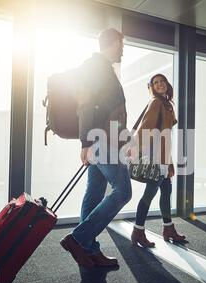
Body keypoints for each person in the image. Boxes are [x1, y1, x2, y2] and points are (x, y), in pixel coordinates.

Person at [60, 28, 132, 268]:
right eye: (121, 44)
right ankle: (79, 239)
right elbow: (86, 105)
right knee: (123, 192)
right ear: (113, 43)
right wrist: (86, 142)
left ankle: (88, 249)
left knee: (93, 195)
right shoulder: (95, 67)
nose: (123, 49)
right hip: (101, 140)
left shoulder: (104, 69)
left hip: (106, 139)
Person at [130, 74, 186, 248]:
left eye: (162, 81)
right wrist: (135, 151)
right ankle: (138, 231)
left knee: (166, 191)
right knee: (150, 193)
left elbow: (166, 136)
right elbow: (144, 128)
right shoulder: (156, 102)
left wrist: (169, 162)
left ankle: (168, 228)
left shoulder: (167, 104)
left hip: (162, 157)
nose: (160, 84)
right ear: (152, 87)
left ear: (167, 84)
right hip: (154, 158)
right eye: (156, 83)